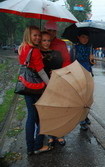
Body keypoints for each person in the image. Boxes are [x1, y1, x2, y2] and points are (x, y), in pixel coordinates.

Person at [18, 26, 51, 155]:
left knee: (31, 116)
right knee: (42, 116)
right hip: (37, 88)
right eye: (35, 35)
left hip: (26, 87)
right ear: (28, 35)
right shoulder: (35, 51)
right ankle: (38, 145)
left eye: (39, 35)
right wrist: (50, 85)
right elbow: (41, 72)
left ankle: (30, 147)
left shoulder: (22, 48)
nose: (38, 38)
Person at [39, 31, 66, 147]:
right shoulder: (36, 53)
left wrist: (56, 72)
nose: (46, 43)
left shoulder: (57, 53)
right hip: (42, 86)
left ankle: (59, 134)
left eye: (48, 40)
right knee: (46, 111)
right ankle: (50, 135)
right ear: (40, 41)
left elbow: (61, 69)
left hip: (55, 85)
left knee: (57, 110)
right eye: (44, 40)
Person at [70, 31, 93, 130]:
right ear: (78, 37)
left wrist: (92, 60)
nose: (85, 39)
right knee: (81, 98)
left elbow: (91, 64)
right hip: (78, 75)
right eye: (83, 37)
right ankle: (82, 121)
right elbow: (70, 62)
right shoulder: (74, 48)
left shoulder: (89, 48)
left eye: (87, 37)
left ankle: (85, 115)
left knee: (88, 98)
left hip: (88, 74)